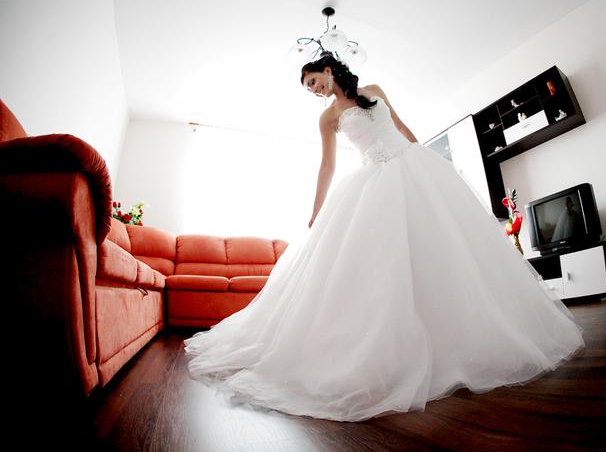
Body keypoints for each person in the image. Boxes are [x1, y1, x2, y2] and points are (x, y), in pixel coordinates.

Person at [183, 54, 585, 422]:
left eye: (314, 81)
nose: (314, 90)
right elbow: (327, 165)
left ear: (328, 70)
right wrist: (316, 209)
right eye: (308, 89)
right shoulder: (327, 118)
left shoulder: (373, 90)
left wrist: (428, 160)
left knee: (440, 252)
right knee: (385, 264)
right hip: (375, 181)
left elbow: (402, 127)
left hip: (413, 168)